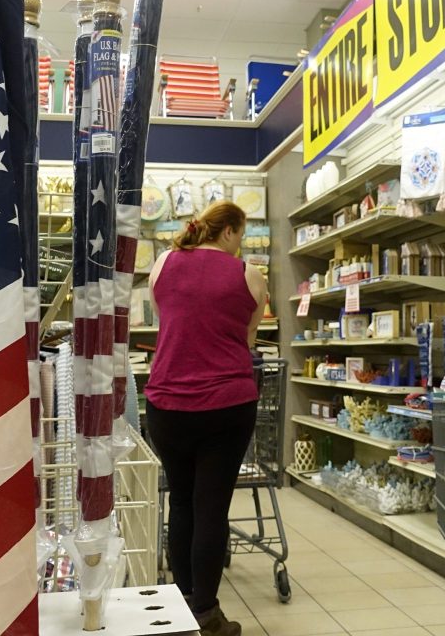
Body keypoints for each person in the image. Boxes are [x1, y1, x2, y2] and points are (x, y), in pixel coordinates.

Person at [145, 200, 267, 636]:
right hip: (226, 406)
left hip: (167, 404)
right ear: (230, 231)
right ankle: (207, 614)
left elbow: (167, 324)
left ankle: (178, 604)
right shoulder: (250, 276)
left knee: (181, 501)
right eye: (242, 234)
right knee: (211, 507)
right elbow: (248, 339)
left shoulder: (162, 264)